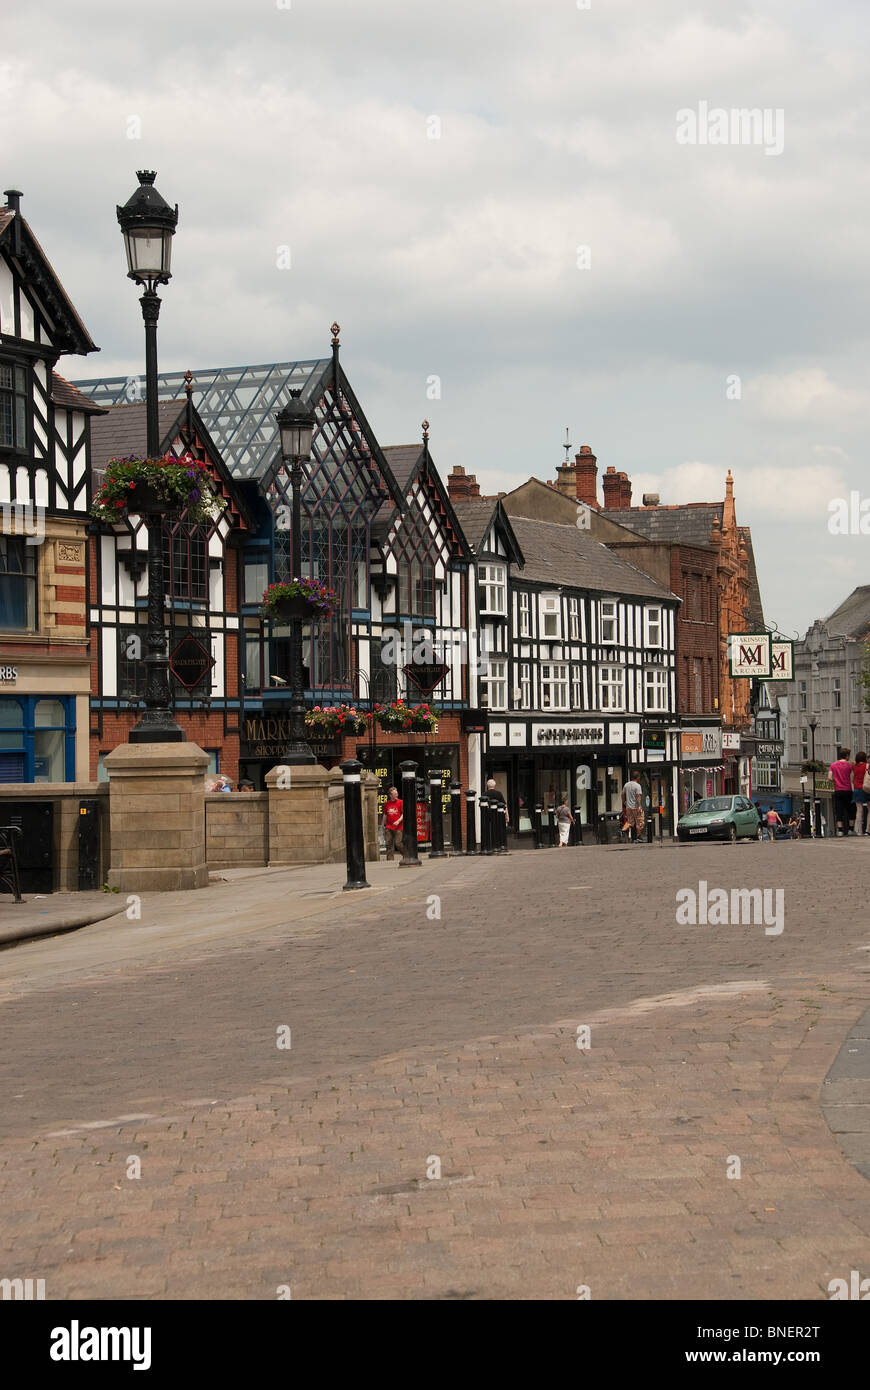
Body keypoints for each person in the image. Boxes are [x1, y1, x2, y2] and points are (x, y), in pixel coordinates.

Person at [829, 747, 854, 837]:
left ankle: (840, 830)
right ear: (847, 756)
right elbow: (852, 778)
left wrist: (836, 781)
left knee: (839, 810)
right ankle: (851, 829)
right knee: (850, 810)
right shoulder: (850, 765)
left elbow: (829, 777)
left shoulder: (833, 765)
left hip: (838, 790)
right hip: (848, 790)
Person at [621, 769, 645, 844]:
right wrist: (639, 806)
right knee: (640, 822)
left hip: (628, 807)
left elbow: (622, 794)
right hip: (635, 807)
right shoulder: (637, 786)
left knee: (630, 822)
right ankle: (639, 837)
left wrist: (624, 801)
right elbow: (638, 796)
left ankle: (623, 830)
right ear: (637, 777)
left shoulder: (626, 785)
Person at [381, 786, 403, 861]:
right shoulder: (387, 804)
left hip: (398, 827)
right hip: (389, 826)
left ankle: (406, 855)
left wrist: (398, 821)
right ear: (390, 795)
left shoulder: (400, 802)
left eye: (396, 793)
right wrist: (383, 823)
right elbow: (385, 814)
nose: (396, 795)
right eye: (394, 794)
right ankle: (390, 860)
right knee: (389, 844)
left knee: (398, 843)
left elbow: (403, 814)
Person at [852, 751, 868, 836]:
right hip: (866, 788)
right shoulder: (867, 766)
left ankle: (859, 830)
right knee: (869, 809)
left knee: (859, 810)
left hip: (857, 789)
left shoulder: (854, 767)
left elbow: (852, 778)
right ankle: (868, 830)